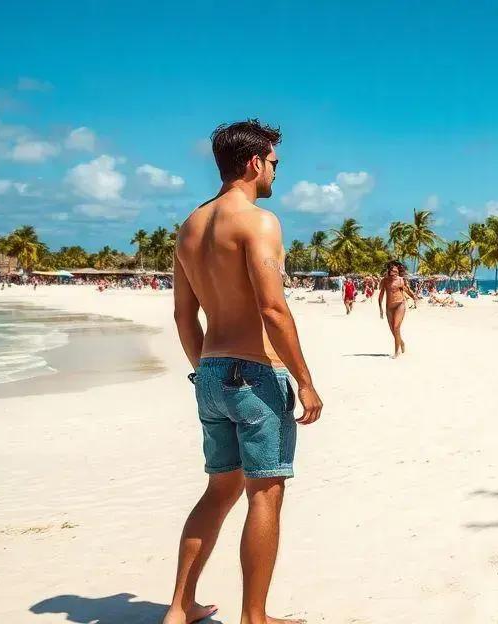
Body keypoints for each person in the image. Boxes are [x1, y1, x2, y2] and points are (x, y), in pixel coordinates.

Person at [166, 119, 322, 624]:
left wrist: (207, 370)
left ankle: (179, 607)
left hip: (210, 372)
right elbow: (273, 309)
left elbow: (182, 316)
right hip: (255, 375)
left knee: (219, 490)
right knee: (265, 492)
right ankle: (254, 617)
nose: (277, 173)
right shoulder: (258, 222)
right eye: (275, 163)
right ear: (254, 163)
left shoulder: (190, 227)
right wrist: (305, 380)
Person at [378, 261, 418, 357]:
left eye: (397, 272)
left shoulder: (401, 280)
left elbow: (406, 290)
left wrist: (414, 297)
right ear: (389, 271)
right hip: (389, 307)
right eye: (393, 272)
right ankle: (402, 343)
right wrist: (380, 309)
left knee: (396, 327)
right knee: (393, 330)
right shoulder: (385, 281)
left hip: (400, 305)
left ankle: (396, 352)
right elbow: (381, 295)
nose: (395, 274)